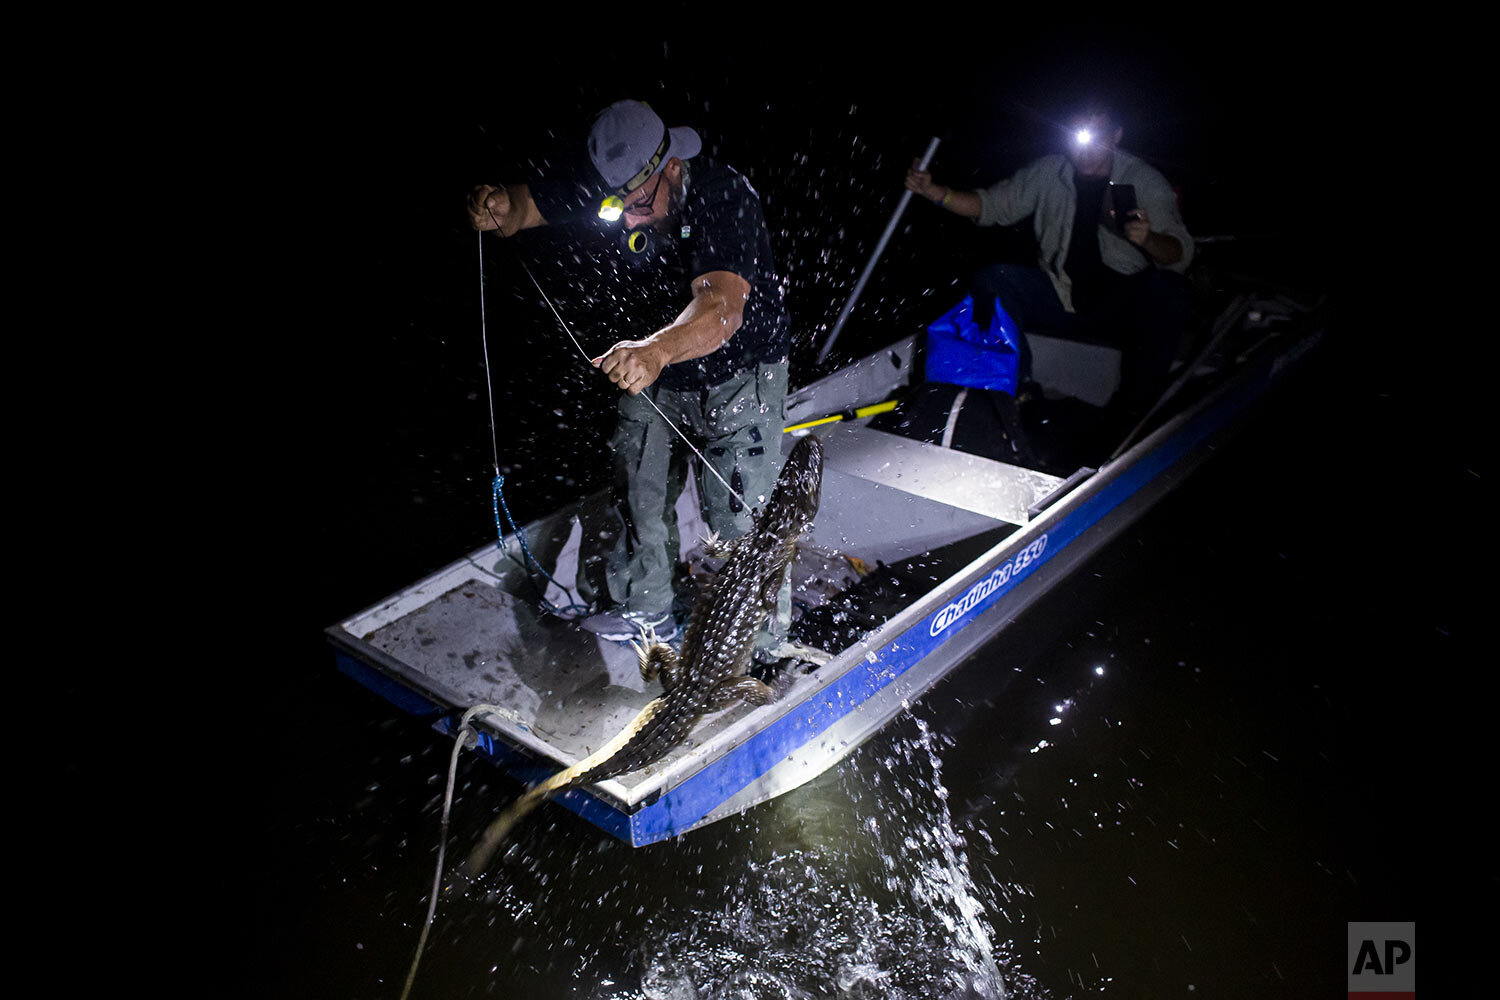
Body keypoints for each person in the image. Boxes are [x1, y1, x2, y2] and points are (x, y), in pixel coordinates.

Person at [468, 99, 792, 649]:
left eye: (640, 202)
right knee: (637, 488)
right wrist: (501, 205)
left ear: (671, 167)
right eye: (617, 203)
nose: (631, 217)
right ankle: (648, 610)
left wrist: (656, 351)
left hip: (739, 371)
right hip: (654, 365)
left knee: (737, 517)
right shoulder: (618, 182)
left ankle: (760, 650)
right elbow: (526, 208)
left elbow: (722, 310)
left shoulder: (722, 196)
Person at [905, 103, 1194, 425]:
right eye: (1079, 136)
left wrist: (1148, 239)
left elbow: (1179, 252)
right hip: (1062, 296)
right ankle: (1018, 392)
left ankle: (1137, 412)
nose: (1085, 148)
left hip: (1119, 305)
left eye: (1097, 136)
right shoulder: (1049, 172)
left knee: (1169, 289)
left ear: (1115, 137)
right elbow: (989, 205)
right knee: (996, 278)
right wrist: (933, 192)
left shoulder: (1144, 180)